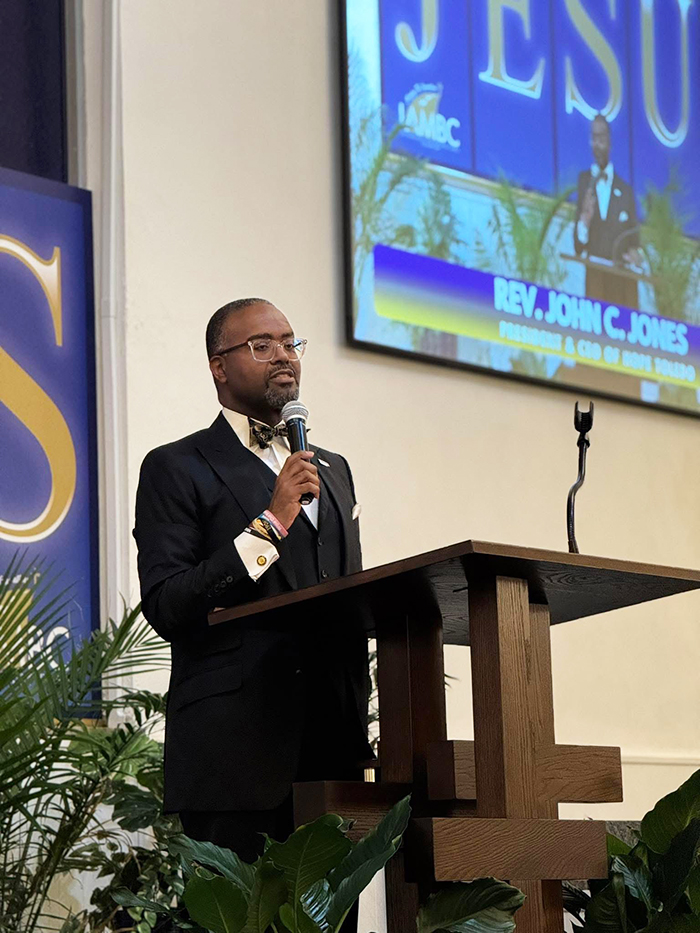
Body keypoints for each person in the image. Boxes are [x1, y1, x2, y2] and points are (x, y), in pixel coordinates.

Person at [133, 298, 372, 892]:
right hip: (236, 755)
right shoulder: (176, 466)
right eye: (262, 346)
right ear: (219, 366)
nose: (283, 356)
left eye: (290, 343)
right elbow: (168, 603)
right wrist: (270, 524)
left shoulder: (334, 469)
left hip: (333, 751)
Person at [574, 114, 641, 309]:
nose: (597, 144)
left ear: (610, 141)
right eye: (594, 138)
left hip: (621, 285)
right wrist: (584, 223)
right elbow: (578, 246)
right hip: (595, 282)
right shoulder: (584, 182)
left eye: (601, 137)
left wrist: (635, 255)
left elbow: (634, 241)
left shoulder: (626, 191)